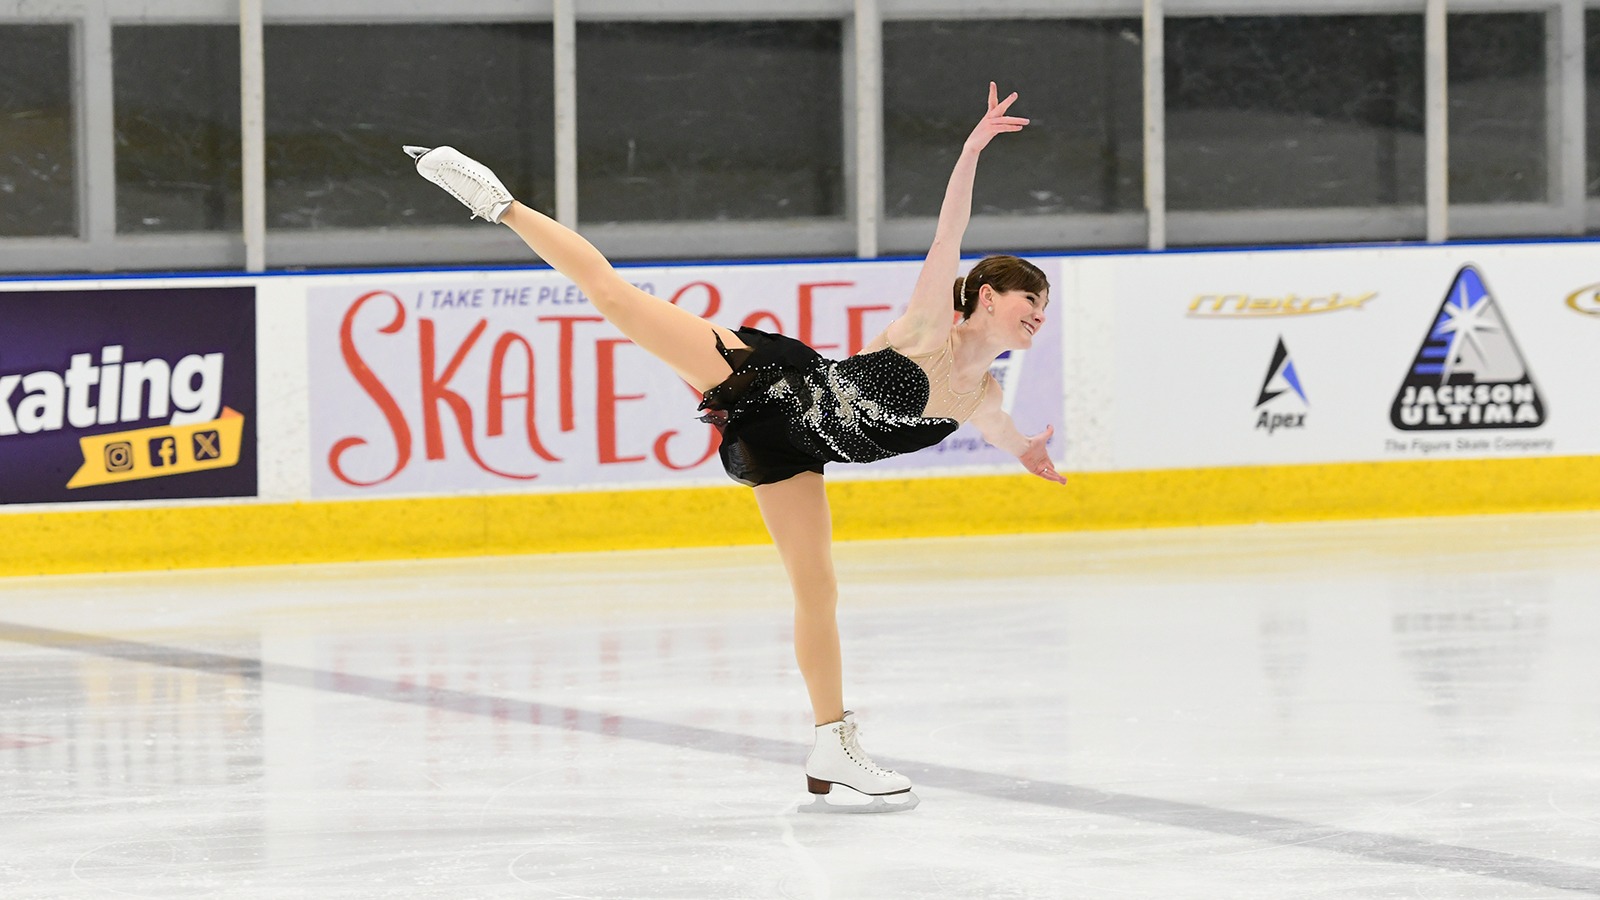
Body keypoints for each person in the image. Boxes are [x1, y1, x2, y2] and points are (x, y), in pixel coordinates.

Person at [406, 82, 1065, 813]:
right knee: (618, 300)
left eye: (1044, 306)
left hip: (794, 451)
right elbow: (950, 232)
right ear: (985, 297)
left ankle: (830, 742)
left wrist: (1031, 455)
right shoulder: (927, 328)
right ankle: (495, 200)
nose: (1039, 314)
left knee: (818, 591)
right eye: (1028, 300)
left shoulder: (985, 397)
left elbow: (1006, 438)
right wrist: (972, 149)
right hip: (772, 382)